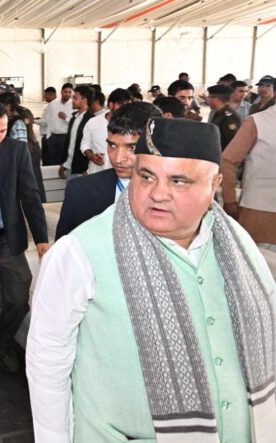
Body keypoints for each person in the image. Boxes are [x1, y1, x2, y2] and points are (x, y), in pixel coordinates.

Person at [27, 117, 276, 442]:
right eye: (146, 176)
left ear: (215, 184)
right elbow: (47, 364)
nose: (158, 194)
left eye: (179, 181)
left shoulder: (239, 246)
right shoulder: (79, 252)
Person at [0, 101, 49, 379]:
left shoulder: (16, 151)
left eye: (3, 131)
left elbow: (30, 194)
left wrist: (41, 237)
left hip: (8, 237)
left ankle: (2, 340)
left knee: (18, 294)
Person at [56, 102, 162, 239]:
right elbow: (64, 247)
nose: (118, 159)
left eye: (132, 148)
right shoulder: (80, 191)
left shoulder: (176, 196)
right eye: (112, 145)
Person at [221, 103, 276, 250]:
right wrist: (229, 200)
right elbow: (227, 161)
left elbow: (227, 161)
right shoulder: (259, 122)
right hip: (260, 215)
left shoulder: (259, 121)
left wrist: (230, 201)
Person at [80, 88, 131, 175]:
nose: (124, 108)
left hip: (122, 175)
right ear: (111, 105)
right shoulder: (93, 122)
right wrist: (92, 156)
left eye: (127, 105)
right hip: (97, 173)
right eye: (121, 104)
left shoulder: (131, 125)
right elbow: (84, 144)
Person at [59, 85, 95, 179]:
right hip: (71, 166)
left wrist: (89, 169)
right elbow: (70, 144)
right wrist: (64, 163)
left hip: (83, 170)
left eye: (75, 98)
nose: (72, 100)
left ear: (84, 100)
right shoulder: (74, 117)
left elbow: (94, 147)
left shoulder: (91, 120)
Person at [42, 83, 74, 165]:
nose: (67, 94)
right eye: (65, 92)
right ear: (61, 92)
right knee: (53, 161)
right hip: (53, 137)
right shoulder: (53, 104)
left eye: (69, 92)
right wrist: (48, 136)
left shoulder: (74, 105)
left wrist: (66, 118)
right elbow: (47, 119)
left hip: (66, 137)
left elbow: (75, 122)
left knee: (65, 161)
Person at [207, 85, 240, 150]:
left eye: (209, 97)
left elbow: (232, 142)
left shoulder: (229, 117)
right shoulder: (218, 113)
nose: (207, 99)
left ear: (216, 99)